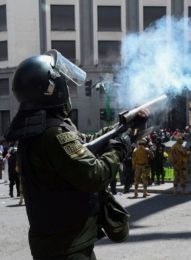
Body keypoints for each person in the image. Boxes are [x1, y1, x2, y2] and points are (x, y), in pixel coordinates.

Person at [4, 50, 141, 260]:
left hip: (56, 243)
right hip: (68, 248)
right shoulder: (54, 134)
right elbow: (95, 175)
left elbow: (85, 145)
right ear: (51, 88)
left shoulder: (42, 130)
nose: (66, 89)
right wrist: (120, 147)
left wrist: (122, 129)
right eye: (63, 84)